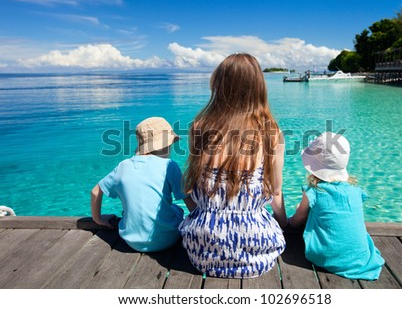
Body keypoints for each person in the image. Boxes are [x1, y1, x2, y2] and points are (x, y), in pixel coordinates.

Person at [179, 53, 288, 278]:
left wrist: (206, 218)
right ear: (258, 86)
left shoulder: (199, 126)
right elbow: (276, 192)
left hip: (202, 251)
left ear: (218, 83)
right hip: (258, 253)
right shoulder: (271, 132)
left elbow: (190, 186)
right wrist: (285, 224)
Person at [288, 132, 385, 280]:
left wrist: (289, 223)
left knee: (301, 209)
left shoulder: (314, 191)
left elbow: (298, 219)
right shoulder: (356, 191)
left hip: (324, 256)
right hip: (359, 257)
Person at [91, 117, 196, 252]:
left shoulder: (123, 166)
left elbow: (95, 191)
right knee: (178, 209)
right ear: (165, 145)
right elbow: (188, 200)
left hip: (131, 242)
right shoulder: (169, 165)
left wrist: (97, 219)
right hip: (167, 240)